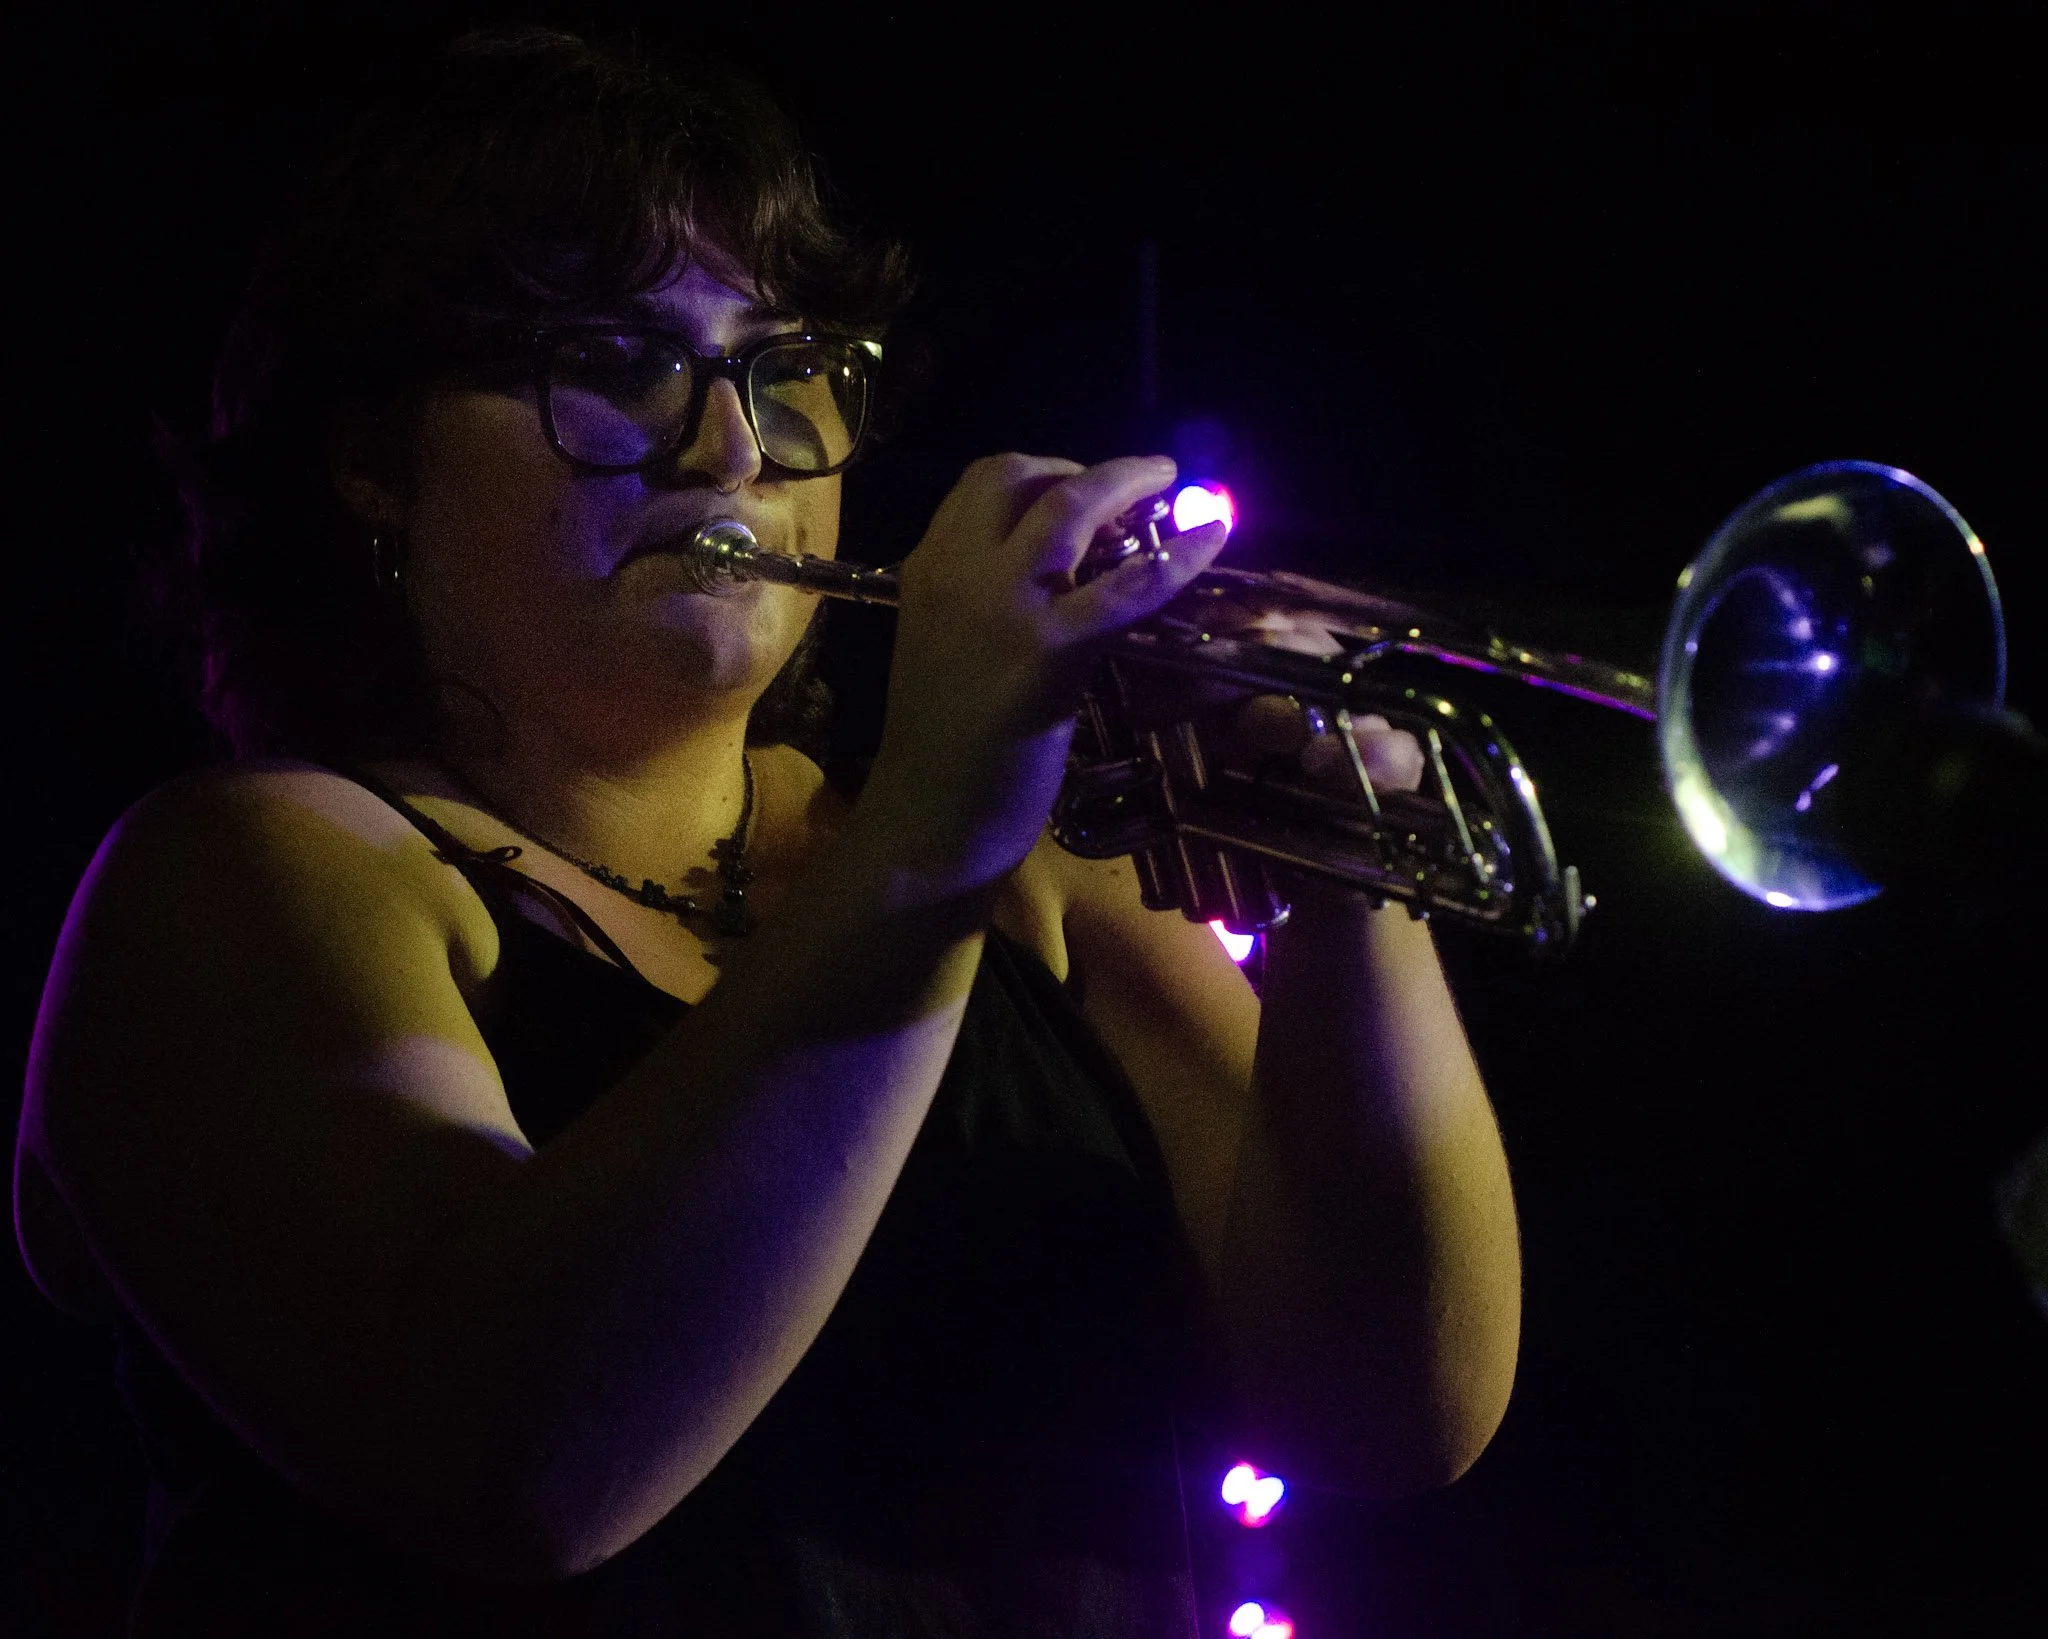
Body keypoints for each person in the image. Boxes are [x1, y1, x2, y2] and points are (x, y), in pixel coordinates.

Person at [13, 27, 1520, 1634]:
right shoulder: (250, 878)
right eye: (611, 358)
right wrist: (943, 810)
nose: (731, 444)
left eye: (788, 366)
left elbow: (1391, 1413)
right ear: (375, 459)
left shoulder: (1041, 881)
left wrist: (1353, 865)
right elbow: (529, 1461)